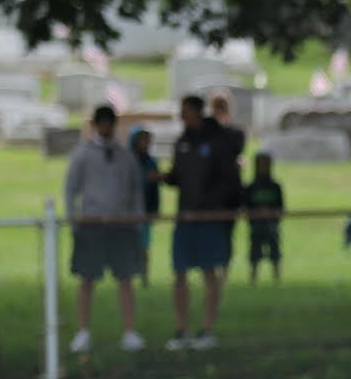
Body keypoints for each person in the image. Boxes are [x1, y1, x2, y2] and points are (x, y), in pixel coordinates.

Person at [61, 104, 146, 354]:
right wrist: (74, 219)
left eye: (110, 123)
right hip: (92, 224)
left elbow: (135, 190)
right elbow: (71, 189)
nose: (107, 128)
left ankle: (129, 331)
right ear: (96, 125)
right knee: (87, 279)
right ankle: (83, 331)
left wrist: (136, 221)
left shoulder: (125, 156)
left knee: (125, 279)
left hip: (121, 225)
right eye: (103, 123)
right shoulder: (83, 154)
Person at [162, 94, 241, 349]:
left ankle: (207, 329)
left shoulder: (218, 141)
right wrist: (163, 177)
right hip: (185, 216)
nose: (182, 118)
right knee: (179, 272)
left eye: (186, 113)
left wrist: (212, 204)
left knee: (210, 273)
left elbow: (228, 179)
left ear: (196, 113)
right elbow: (178, 176)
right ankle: (181, 328)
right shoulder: (182, 142)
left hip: (209, 217)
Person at [242, 151, 285, 285]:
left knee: (275, 252)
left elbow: (281, 207)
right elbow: (246, 207)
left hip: (272, 225)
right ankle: (253, 278)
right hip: (256, 226)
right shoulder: (251, 187)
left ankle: (276, 278)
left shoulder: (275, 187)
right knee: (255, 252)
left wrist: (272, 214)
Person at [129, 126, 160, 286]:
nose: (145, 143)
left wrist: (155, 210)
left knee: (144, 246)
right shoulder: (127, 161)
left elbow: (155, 190)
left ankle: (144, 276)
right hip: (129, 211)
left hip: (146, 210)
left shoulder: (151, 162)